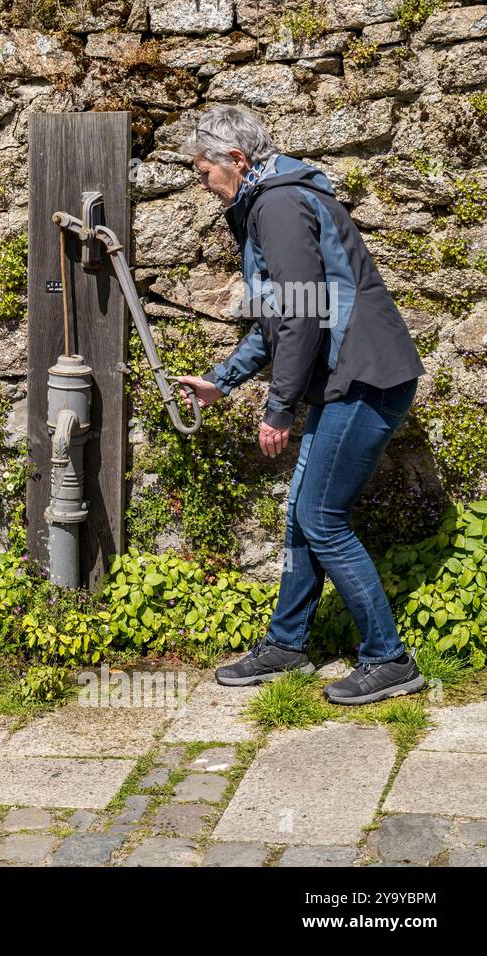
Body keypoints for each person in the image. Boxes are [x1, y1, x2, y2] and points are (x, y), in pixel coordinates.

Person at [172, 105, 427, 705]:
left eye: (203, 170)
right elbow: (277, 319)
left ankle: (388, 659)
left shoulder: (278, 207)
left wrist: (278, 408)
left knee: (321, 517)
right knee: (302, 516)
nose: (203, 184)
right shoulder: (276, 200)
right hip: (350, 378)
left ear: (236, 160)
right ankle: (287, 644)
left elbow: (302, 316)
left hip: (365, 380)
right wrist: (222, 380)